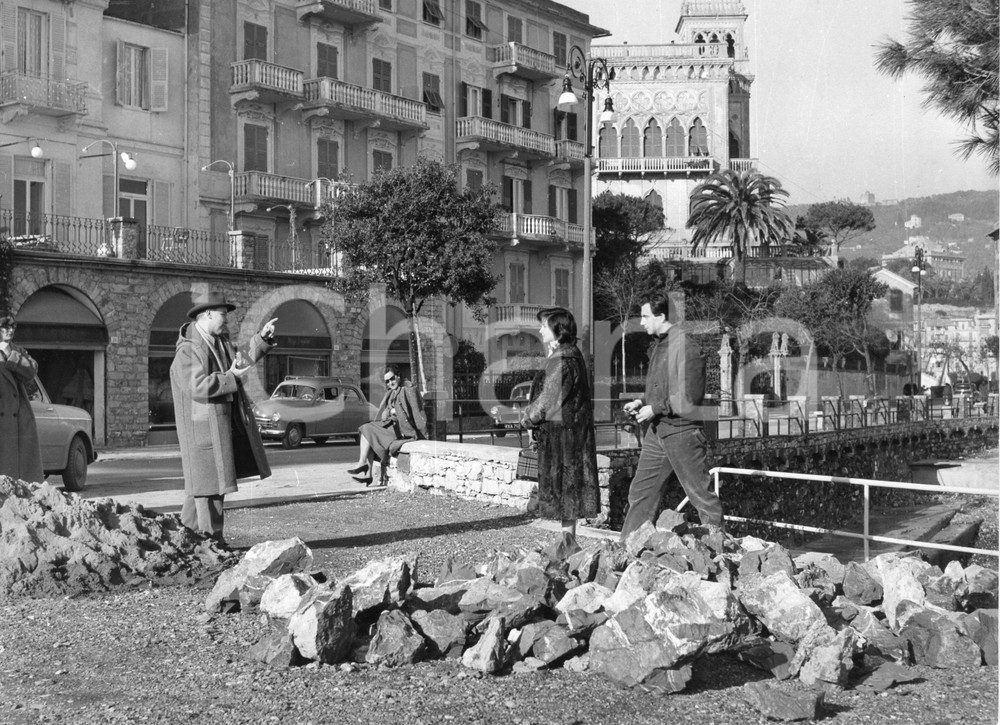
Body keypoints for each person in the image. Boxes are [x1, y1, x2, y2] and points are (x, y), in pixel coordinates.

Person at [170, 289, 278, 545]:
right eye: (223, 314)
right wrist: (230, 378)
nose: (227, 319)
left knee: (200, 491)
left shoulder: (218, 342)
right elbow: (197, 386)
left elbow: (239, 363)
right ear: (207, 314)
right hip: (202, 433)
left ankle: (185, 543)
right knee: (209, 491)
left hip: (214, 430)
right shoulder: (187, 351)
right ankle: (213, 545)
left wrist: (260, 340)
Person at [619, 291, 722, 542]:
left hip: (683, 432)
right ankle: (627, 547)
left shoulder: (686, 347)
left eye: (645, 316)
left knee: (702, 497)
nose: (641, 322)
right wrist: (642, 402)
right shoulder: (660, 346)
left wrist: (654, 408)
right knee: (641, 492)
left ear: (661, 316)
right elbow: (664, 389)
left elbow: (690, 395)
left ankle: (719, 551)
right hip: (659, 432)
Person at [519, 307, 600, 553]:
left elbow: (547, 400)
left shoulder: (563, 359)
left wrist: (527, 420)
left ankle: (568, 549)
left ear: (557, 329)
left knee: (567, 491)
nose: (540, 329)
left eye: (544, 325)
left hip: (565, 437)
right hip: (569, 434)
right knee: (569, 494)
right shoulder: (567, 355)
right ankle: (567, 545)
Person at [348, 365, 426, 485]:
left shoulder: (406, 390)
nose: (390, 382)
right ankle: (366, 472)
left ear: (398, 376)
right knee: (366, 430)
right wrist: (390, 411)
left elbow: (415, 411)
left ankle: (363, 466)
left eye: (392, 379)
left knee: (367, 430)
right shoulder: (391, 393)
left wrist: (422, 432)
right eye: (387, 381)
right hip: (390, 426)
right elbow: (384, 415)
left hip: (399, 430)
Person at [0, 315, 44, 482]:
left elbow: (31, 372)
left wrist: (9, 353)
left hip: (19, 419)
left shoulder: (17, 351)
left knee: (22, 477)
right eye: (4, 326)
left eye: (12, 326)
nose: (9, 330)